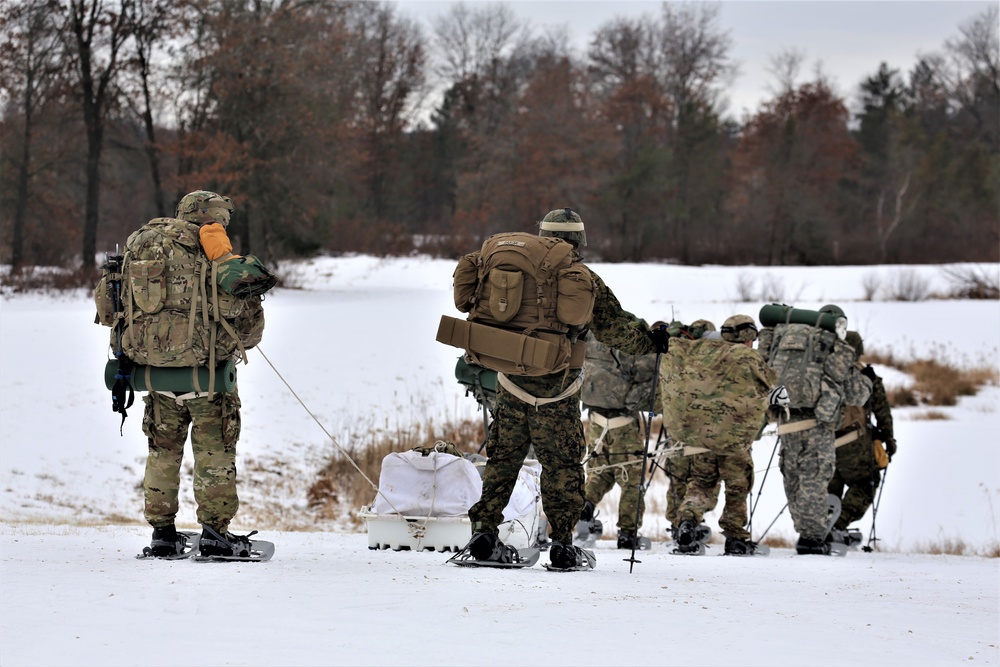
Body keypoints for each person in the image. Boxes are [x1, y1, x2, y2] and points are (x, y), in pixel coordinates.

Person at [465, 208, 661, 570]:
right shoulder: (583, 277)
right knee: (562, 467)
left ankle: (483, 533)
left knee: (502, 461)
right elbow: (614, 329)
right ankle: (562, 545)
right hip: (558, 392)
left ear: (541, 232)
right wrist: (653, 342)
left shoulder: (508, 268)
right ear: (580, 240)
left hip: (510, 384)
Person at [103, 191, 267, 558]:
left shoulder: (141, 246)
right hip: (206, 376)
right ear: (212, 218)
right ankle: (214, 535)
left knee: (162, 451)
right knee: (214, 452)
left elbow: (107, 308)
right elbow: (251, 330)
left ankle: (162, 535)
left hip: (154, 375)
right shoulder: (216, 255)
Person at [659, 315, 776, 555]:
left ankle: (687, 523)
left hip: (702, 434)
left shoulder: (701, 352)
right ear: (748, 337)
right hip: (733, 439)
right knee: (737, 486)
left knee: (701, 483)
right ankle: (735, 537)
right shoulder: (746, 357)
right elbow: (768, 381)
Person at [767, 304, 872, 556]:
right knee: (814, 475)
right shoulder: (833, 349)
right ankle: (812, 538)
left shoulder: (793, 344)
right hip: (818, 425)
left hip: (788, 420)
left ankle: (804, 527)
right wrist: (864, 376)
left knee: (792, 473)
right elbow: (858, 394)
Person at [578, 328, 659, 550]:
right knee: (631, 479)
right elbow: (649, 368)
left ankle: (584, 506)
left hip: (595, 421)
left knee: (598, 472)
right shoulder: (627, 342)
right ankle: (627, 534)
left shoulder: (589, 338)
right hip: (623, 423)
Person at [828, 331, 896, 544]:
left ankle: (820, 527)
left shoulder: (824, 372)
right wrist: (888, 439)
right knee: (866, 484)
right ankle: (836, 526)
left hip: (823, 442)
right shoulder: (866, 375)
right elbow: (882, 411)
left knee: (829, 488)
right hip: (855, 443)